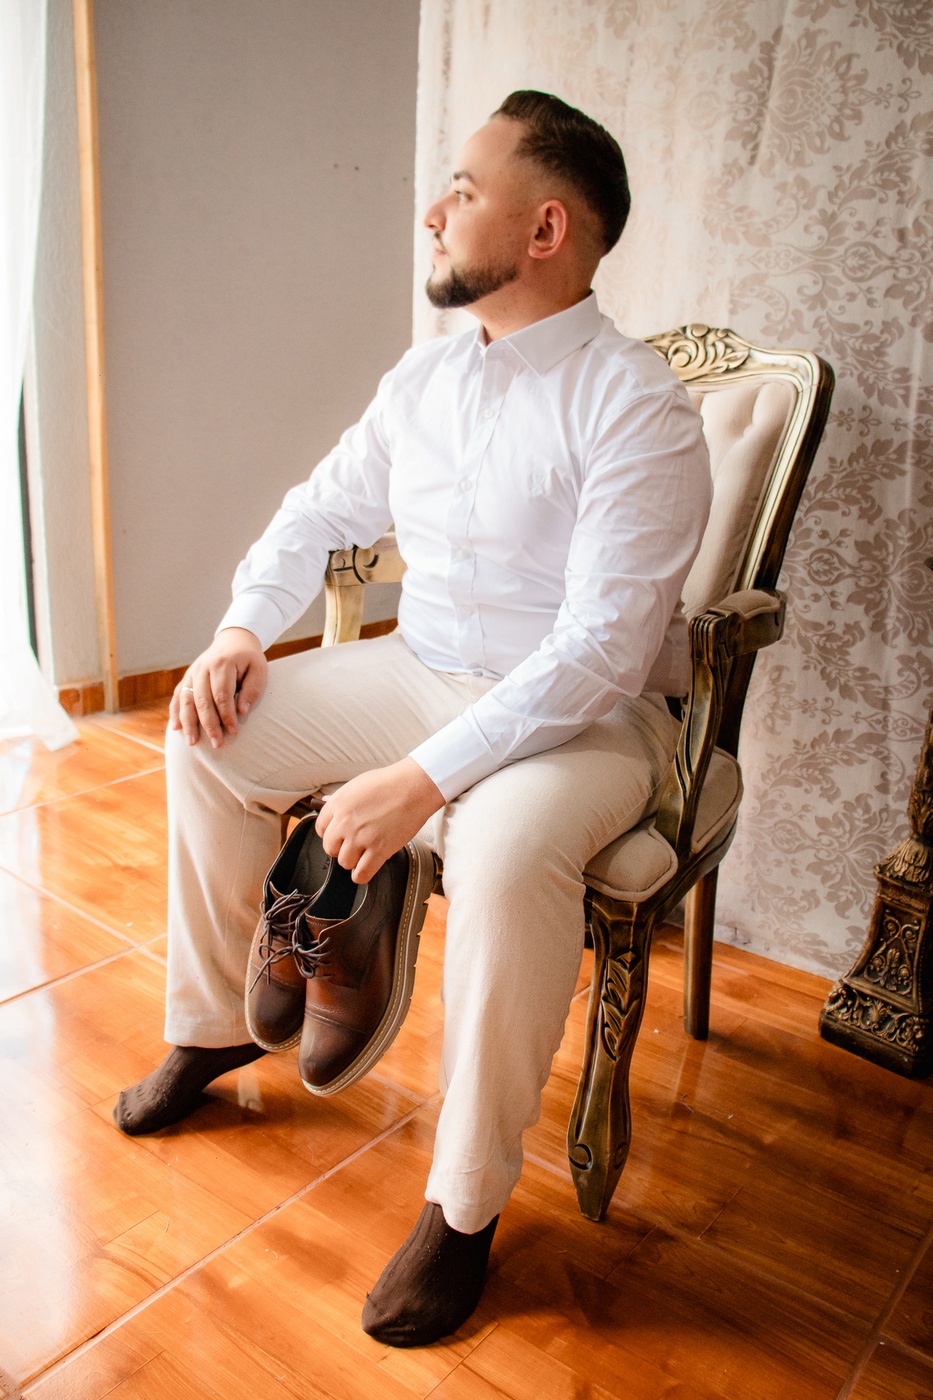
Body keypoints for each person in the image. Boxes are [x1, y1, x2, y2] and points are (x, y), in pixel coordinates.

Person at [115, 90, 712, 1345]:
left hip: (588, 723)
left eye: (464, 189)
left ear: (546, 228)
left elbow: (602, 652)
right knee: (208, 732)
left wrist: (422, 778)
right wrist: (241, 628)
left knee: (501, 846)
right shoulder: (427, 374)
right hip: (421, 666)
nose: (433, 211)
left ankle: (463, 1203)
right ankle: (215, 1027)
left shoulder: (635, 404)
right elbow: (317, 510)